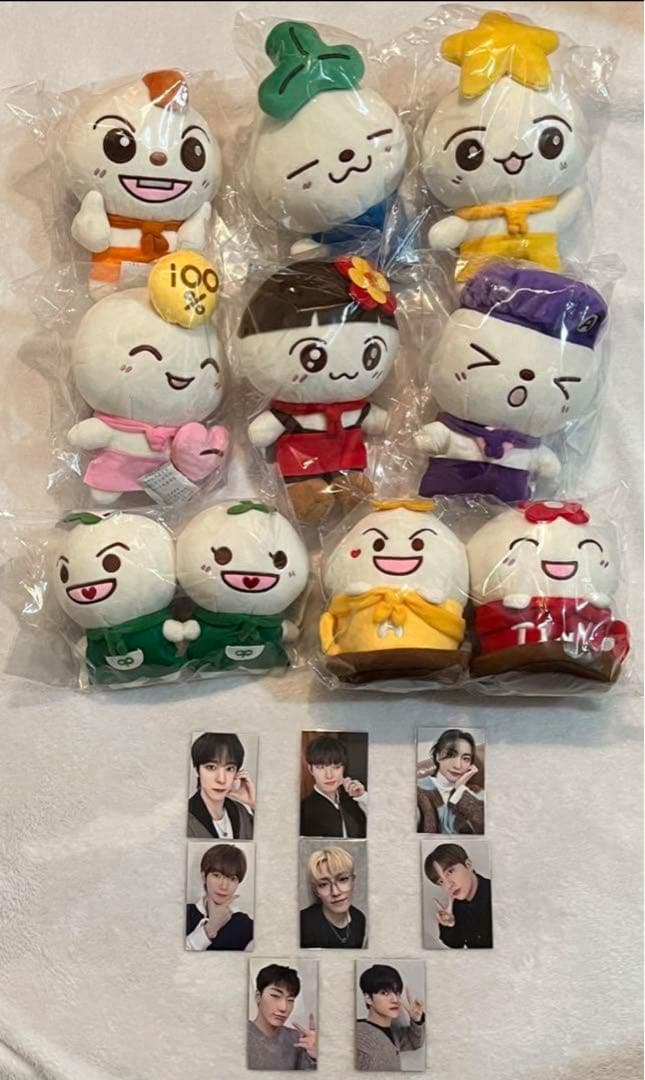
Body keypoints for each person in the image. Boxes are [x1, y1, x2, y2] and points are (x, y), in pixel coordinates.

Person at [356, 964, 425, 1071]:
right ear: (368, 998)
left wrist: (417, 1020)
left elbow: (415, 1043)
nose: (395, 1000)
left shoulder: (393, 1032)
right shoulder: (359, 1036)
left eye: (397, 993)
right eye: (384, 993)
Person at [248, 963, 317, 1070]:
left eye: (290, 1000)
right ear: (258, 996)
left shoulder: (297, 1039)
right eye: (275, 996)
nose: (284, 1007)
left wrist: (315, 1057)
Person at [424, 843, 493, 949]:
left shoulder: (497, 894)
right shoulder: (456, 906)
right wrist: (450, 924)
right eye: (441, 881)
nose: (448, 885)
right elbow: (455, 944)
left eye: (450, 872)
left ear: (468, 865)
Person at [185, 843, 253, 951]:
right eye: (217, 875)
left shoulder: (247, 926)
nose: (224, 886)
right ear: (204, 877)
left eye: (232, 878)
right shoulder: (183, 913)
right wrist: (211, 928)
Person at [188, 732, 255, 839]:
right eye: (211, 767)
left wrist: (253, 804)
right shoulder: (186, 817)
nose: (221, 779)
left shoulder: (241, 813)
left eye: (229, 768)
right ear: (197, 770)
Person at [417, 729, 484, 834]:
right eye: (451, 755)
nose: (458, 765)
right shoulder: (418, 790)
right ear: (438, 756)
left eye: (466, 759)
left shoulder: (476, 792)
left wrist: (460, 790)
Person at [300, 734, 367, 838]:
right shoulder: (303, 810)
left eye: (336, 767)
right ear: (310, 769)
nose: (329, 775)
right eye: (320, 767)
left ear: (343, 768)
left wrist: (361, 797)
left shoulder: (354, 801)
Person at [300, 846, 367, 949]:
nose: (335, 892)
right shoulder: (302, 923)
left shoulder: (359, 919)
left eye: (342, 879)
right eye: (323, 884)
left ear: (353, 881)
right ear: (316, 891)